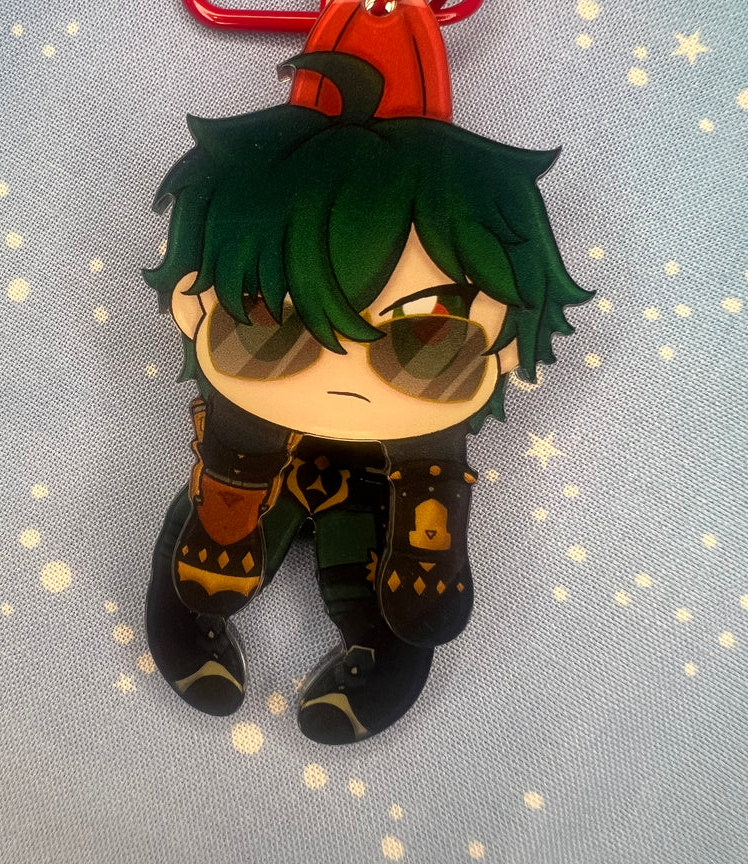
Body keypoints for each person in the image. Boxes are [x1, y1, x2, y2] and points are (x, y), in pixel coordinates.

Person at [144, 38, 592, 745]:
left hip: (385, 475)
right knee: (206, 565)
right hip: (270, 449)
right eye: (273, 324)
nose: (344, 372)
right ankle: (229, 517)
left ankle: (364, 631)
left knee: (388, 589)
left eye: (427, 335)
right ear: (194, 306)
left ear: (506, 344)